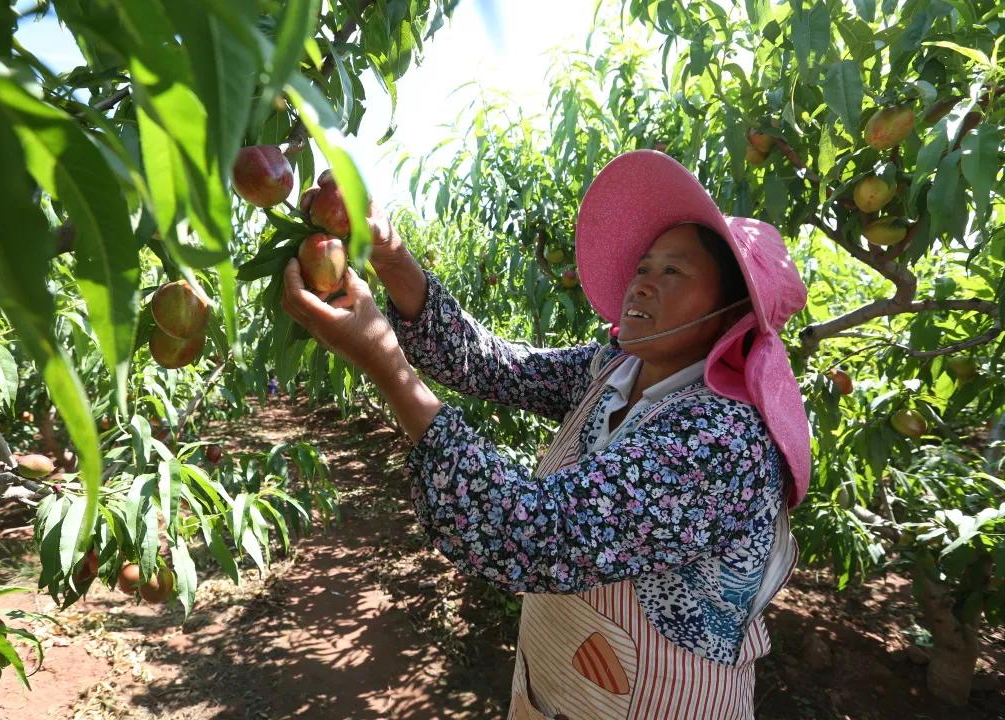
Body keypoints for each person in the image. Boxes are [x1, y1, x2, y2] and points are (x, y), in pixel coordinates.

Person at [280, 150, 811, 719]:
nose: (643, 284)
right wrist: (389, 254)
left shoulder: (722, 439)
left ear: (732, 315)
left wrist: (386, 364)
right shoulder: (615, 369)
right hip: (557, 685)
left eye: (673, 271)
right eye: (644, 266)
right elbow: (496, 366)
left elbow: (532, 531)